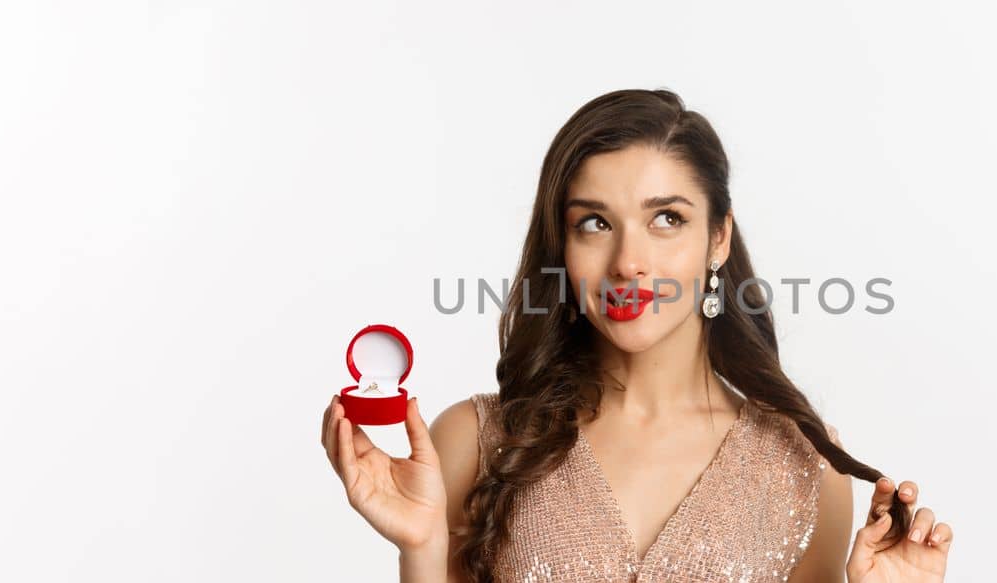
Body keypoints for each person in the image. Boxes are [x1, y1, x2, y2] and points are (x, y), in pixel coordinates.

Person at [320, 88, 954, 582]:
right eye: (595, 223)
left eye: (667, 219)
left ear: (718, 238)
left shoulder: (804, 468)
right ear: (561, 244)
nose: (628, 261)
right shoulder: (476, 443)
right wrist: (422, 546)